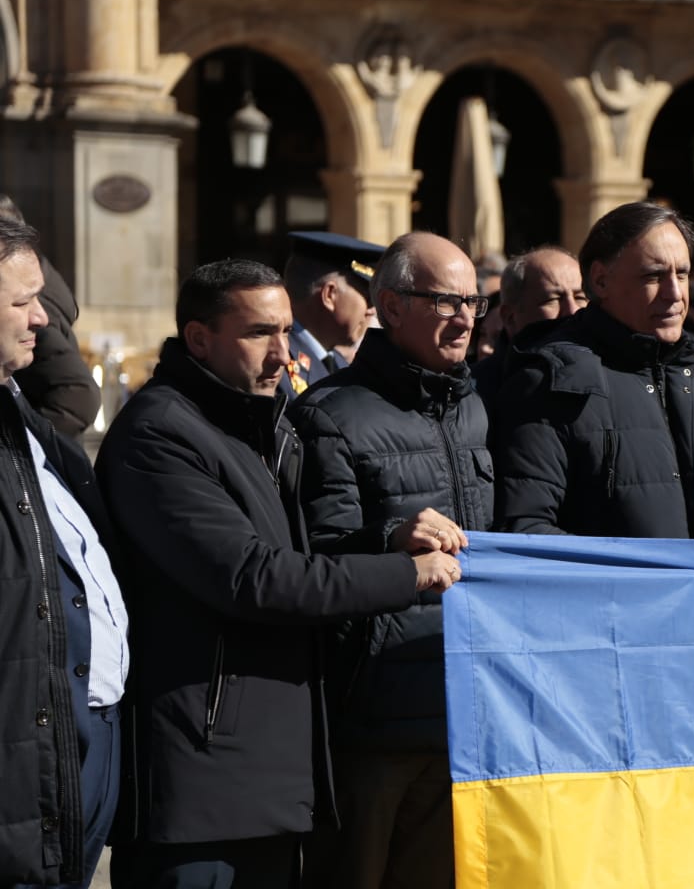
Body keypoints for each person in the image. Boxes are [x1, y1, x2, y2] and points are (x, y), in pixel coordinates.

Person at [96, 258, 460, 889]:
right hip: (202, 785)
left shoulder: (259, 421)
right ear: (200, 338)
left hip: (268, 773)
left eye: (287, 331)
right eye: (260, 333)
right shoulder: (160, 433)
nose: (281, 354)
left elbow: (296, 549)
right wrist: (407, 575)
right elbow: (254, 578)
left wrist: (384, 538)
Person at [289, 231, 492, 889]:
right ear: (391, 305)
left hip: (466, 712)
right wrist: (393, 536)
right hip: (374, 721)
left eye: (473, 301)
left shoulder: (472, 408)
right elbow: (318, 556)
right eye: (445, 301)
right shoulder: (328, 414)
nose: (464, 316)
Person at [495, 201, 694, 539]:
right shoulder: (551, 380)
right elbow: (527, 526)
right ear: (601, 280)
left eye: (682, 274)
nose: (675, 294)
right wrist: (632, 585)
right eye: (653, 276)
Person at [0, 219, 126, 889]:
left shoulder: (21, 412)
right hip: (26, 748)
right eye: (23, 302)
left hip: (78, 726)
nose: (44, 319)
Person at [0, 194, 101, 439]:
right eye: (23, 302)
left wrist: (25, 448)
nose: (39, 317)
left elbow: (78, 393)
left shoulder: (34, 313)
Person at [471, 245, 586, 409]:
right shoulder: (473, 394)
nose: (572, 310)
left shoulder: (617, 375)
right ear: (510, 317)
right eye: (552, 300)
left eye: (580, 297)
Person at [280, 231, 384, 400]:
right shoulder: (277, 362)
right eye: (369, 298)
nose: (372, 310)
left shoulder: (339, 363)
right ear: (330, 295)